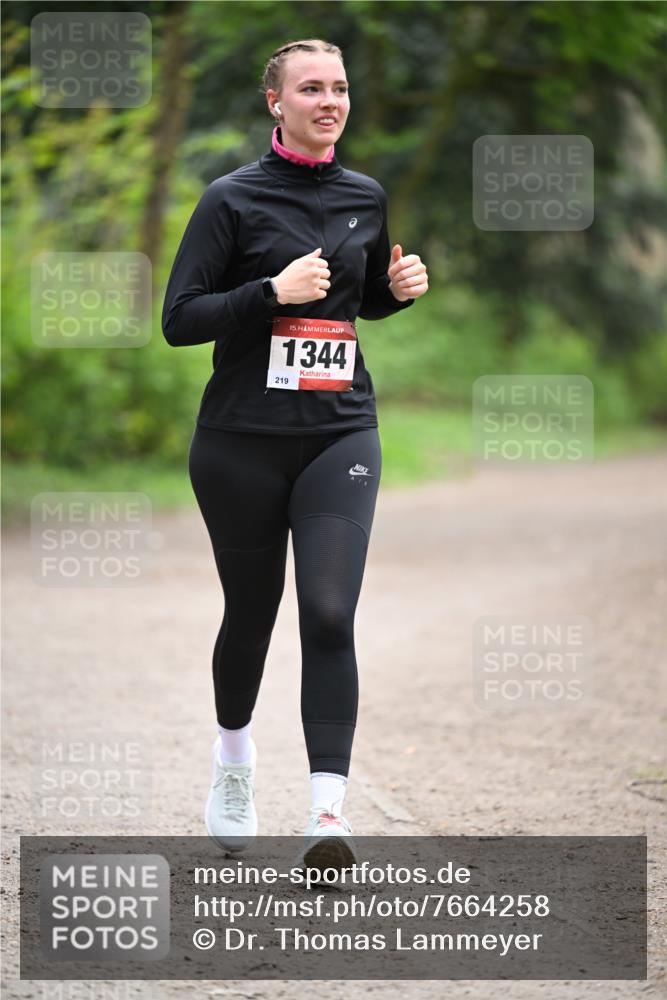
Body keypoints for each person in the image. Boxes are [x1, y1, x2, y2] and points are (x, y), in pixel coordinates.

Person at [161, 38, 428, 867]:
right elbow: (180, 319)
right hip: (240, 440)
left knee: (327, 612)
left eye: (340, 87)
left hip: (339, 430)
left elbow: (351, 303)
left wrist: (393, 292)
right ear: (274, 102)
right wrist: (267, 292)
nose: (329, 100)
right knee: (252, 615)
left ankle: (326, 814)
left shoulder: (364, 194)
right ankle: (233, 761)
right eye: (310, 88)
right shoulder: (229, 199)